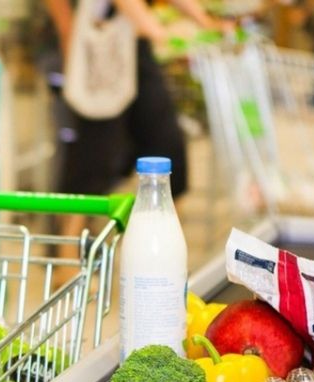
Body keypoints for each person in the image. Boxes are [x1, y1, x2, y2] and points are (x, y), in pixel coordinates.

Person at [42, 0, 226, 277]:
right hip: (101, 53)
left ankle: (163, 255)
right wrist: (157, 29)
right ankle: (66, 261)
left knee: (168, 149)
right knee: (95, 158)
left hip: (135, 48)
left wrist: (205, 21)